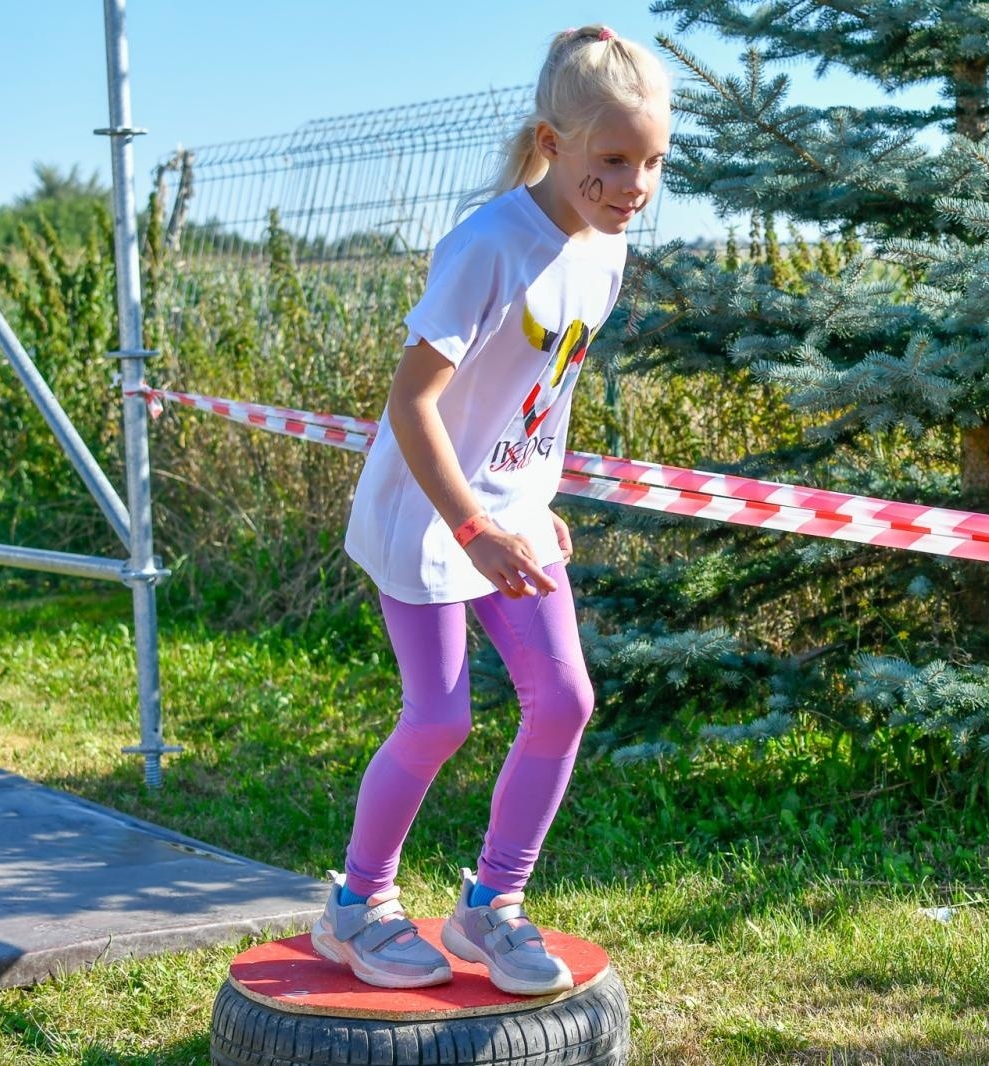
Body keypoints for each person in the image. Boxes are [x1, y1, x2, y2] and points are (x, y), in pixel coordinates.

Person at [309, 24, 671, 995]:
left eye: (651, 162)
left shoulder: (605, 248)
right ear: (553, 142)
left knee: (564, 700)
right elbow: (411, 403)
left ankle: (489, 908)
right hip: (426, 513)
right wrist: (474, 522)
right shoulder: (486, 246)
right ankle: (356, 905)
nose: (634, 183)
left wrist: (533, 500)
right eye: (613, 159)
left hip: (508, 515)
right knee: (437, 720)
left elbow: (540, 391)